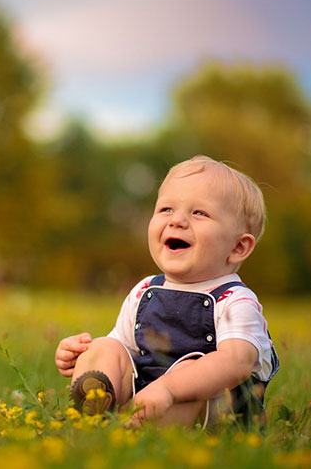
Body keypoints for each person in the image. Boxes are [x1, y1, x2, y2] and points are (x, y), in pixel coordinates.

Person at [54, 155, 279, 428]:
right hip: (147, 397)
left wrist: (170, 389)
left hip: (214, 414)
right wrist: (82, 355)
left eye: (199, 213)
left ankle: (132, 429)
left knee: (194, 367)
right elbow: (125, 350)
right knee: (105, 346)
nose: (177, 221)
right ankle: (96, 405)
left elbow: (236, 362)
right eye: (166, 210)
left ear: (237, 248)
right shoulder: (144, 290)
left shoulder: (235, 301)